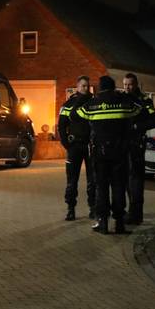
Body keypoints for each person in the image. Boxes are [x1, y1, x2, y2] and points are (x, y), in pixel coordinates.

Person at [77, 75, 140, 234]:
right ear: (113, 87)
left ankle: (103, 222)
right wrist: (126, 95)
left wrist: (85, 97)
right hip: (120, 153)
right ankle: (119, 223)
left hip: (100, 153)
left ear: (99, 87)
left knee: (101, 187)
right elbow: (138, 109)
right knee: (118, 186)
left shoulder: (92, 104)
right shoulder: (123, 103)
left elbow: (76, 114)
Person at [122, 73, 155, 224]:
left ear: (136, 84)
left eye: (129, 84)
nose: (127, 87)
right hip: (123, 144)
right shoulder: (121, 98)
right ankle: (131, 212)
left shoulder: (144, 100)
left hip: (137, 144)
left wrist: (137, 126)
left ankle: (136, 214)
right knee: (126, 179)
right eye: (125, 84)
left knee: (136, 180)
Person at [58, 75, 95, 221]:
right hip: (75, 146)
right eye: (83, 86)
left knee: (93, 180)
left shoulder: (94, 103)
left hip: (91, 146)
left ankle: (93, 208)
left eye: (87, 86)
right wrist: (67, 144)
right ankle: (71, 209)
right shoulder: (68, 104)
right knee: (72, 180)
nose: (85, 88)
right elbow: (61, 125)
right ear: (77, 87)